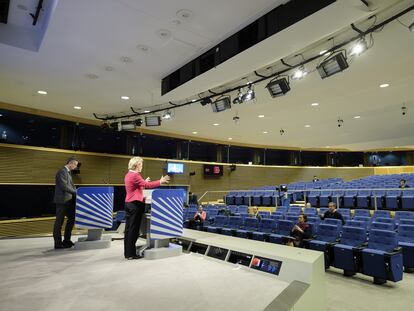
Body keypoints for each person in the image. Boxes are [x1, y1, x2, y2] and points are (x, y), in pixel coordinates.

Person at [124, 157, 170, 260]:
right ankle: (131, 254)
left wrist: (143, 182)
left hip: (128, 204)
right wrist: (160, 181)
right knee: (133, 230)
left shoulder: (128, 174)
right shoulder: (135, 175)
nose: (141, 167)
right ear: (136, 165)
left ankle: (128, 253)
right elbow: (147, 185)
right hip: (135, 205)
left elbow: (136, 187)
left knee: (128, 230)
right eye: (141, 165)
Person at [53, 157, 78, 249]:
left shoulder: (68, 173)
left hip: (69, 201)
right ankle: (58, 243)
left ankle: (67, 240)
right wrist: (76, 192)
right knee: (59, 222)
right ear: (70, 163)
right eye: (75, 165)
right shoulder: (62, 172)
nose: (75, 167)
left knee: (71, 219)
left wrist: (77, 191)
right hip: (62, 201)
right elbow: (64, 186)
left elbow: (71, 186)